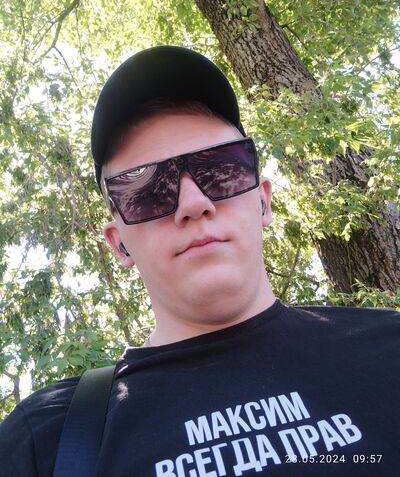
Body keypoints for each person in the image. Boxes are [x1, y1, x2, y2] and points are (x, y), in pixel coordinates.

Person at [1, 46, 399, 476]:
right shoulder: (45, 440)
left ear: (263, 202)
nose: (193, 203)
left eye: (220, 169)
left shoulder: (390, 350)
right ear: (120, 245)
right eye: (146, 190)